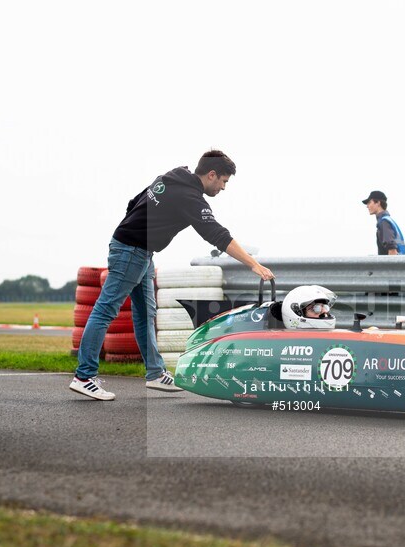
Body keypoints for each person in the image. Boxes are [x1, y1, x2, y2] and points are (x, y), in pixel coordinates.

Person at [70, 150, 275, 401]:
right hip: (131, 251)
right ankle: (84, 376)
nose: (223, 188)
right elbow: (216, 234)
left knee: (146, 314)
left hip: (139, 251)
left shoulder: (169, 177)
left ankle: (155, 373)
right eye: (223, 181)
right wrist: (252, 264)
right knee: (106, 309)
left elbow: (133, 203)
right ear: (212, 175)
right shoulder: (190, 197)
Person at [362, 190, 405, 255]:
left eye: (369, 202)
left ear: (378, 203)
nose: (367, 206)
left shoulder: (384, 222)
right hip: (400, 262)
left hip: (393, 264)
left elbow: (392, 250)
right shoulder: (388, 220)